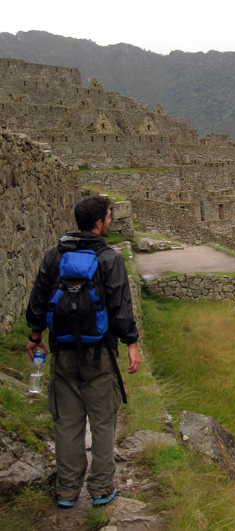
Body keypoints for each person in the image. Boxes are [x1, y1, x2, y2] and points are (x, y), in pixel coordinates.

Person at [26, 195, 141, 508]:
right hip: (99, 354)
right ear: (99, 222)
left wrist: (35, 335)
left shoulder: (54, 255)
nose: (110, 221)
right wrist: (131, 343)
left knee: (66, 422)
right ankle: (101, 488)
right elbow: (120, 306)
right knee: (103, 421)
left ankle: (66, 490)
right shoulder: (109, 258)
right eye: (108, 216)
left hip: (62, 352)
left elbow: (39, 298)